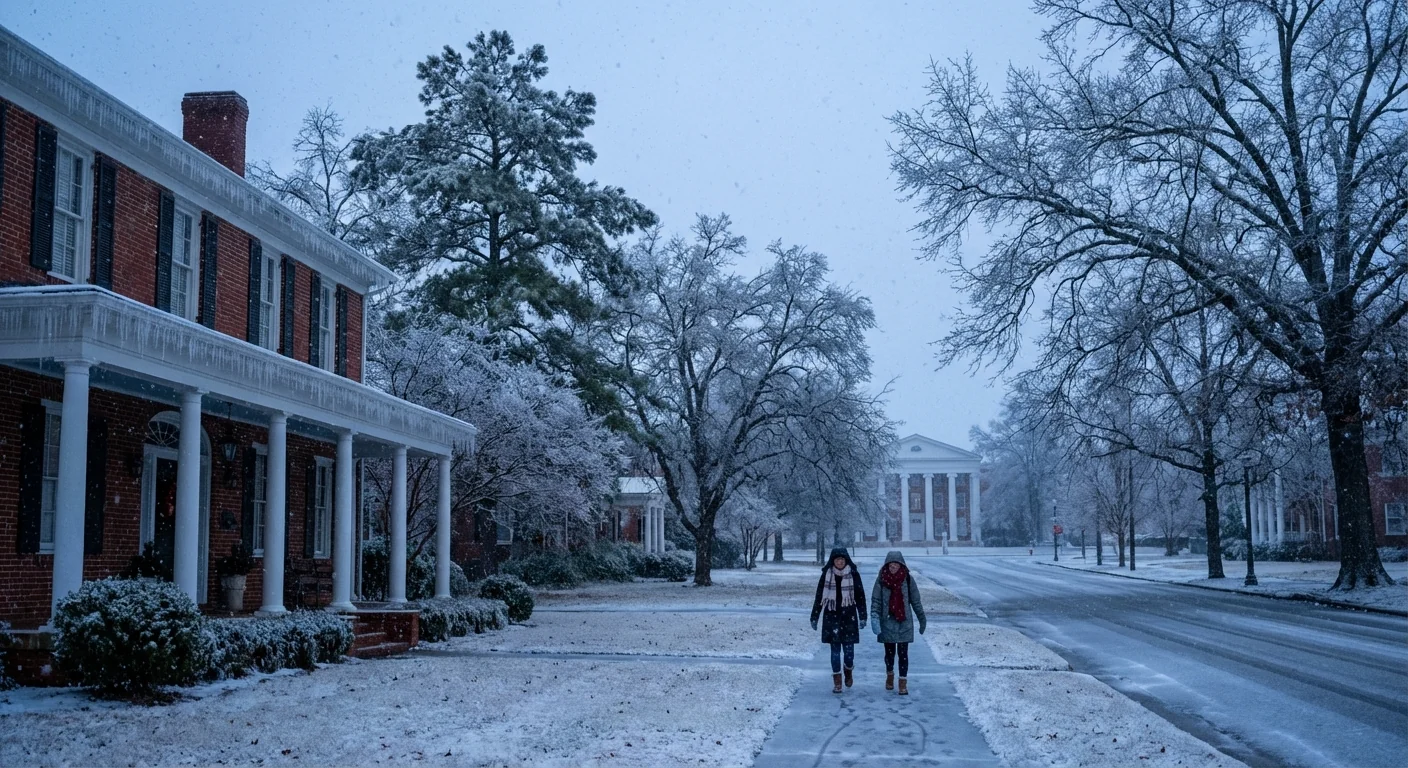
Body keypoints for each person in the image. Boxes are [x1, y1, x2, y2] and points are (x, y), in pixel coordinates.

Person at [810, 546, 866, 693]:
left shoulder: (853, 574)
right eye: (837, 559)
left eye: (842, 559)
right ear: (832, 561)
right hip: (831, 616)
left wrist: (863, 616)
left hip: (849, 617)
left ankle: (848, 670)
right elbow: (819, 597)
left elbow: (860, 597)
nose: (840, 562)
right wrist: (814, 616)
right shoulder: (826, 575)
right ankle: (837, 681)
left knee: (849, 653)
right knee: (835, 652)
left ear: (846, 560)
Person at [870, 550, 926, 695]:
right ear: (886, 565)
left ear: (901, 565)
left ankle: (902, 682)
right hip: (887, 622)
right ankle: (890, 675)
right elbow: (876, 601)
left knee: (903, 654)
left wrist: (922, 619)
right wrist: (875, 619)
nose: (893, 567)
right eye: (890, 564)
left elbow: (915, 601)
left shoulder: (907, 579)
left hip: (904, 623)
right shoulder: (881, 580)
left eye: (896, 564)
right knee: (889, 654)